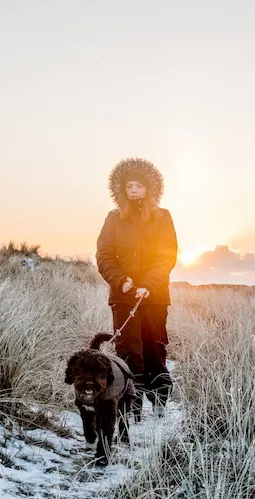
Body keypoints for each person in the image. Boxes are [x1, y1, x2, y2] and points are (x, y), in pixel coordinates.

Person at [96, 157, 178, 418]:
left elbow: (167, 256)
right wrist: (122, 281)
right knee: (129, 351)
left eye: (138, 186)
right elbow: (104, 256)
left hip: (155, 296)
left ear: (149, 188)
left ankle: (159, 400)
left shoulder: (163, 217)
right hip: (123, 297)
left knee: (155, 349)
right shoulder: (113, 218)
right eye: (129, 186)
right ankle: (132, 407)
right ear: (121, 189)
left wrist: (148, 285)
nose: (133, 190)